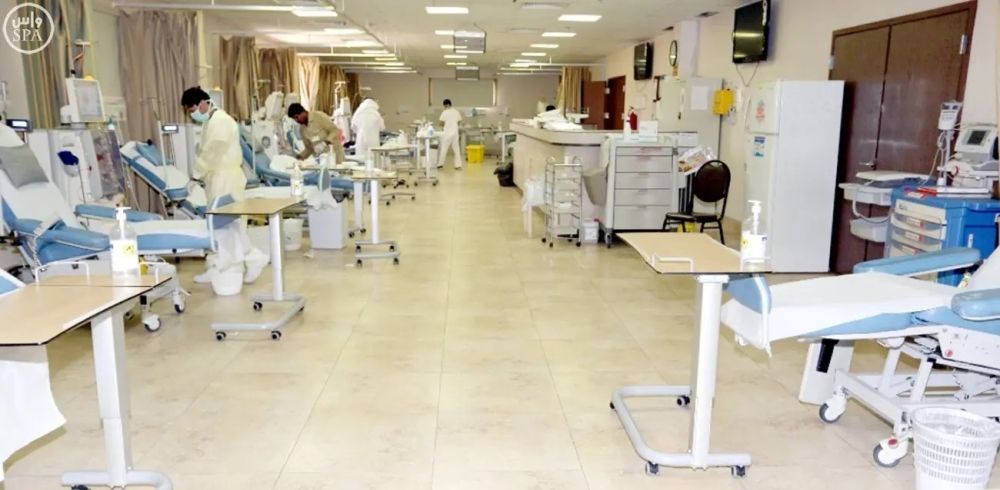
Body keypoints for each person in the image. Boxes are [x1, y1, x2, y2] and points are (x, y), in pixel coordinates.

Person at [180, 86, 269, 285]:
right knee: (222, 226)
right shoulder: (211, 121)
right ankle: (219, 266)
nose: (192, 114)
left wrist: (195, 175)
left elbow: (212, 153)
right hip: (218, 177)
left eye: (192, 109)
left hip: (225, 178)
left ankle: (253, 259)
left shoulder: (220, 121)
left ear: (203, 103)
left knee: (227, 225)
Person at [350, 98, 385, 163]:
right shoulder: (375, 113)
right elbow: (382, 127)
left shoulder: (358, 113)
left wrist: (359, 131)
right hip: (373, 140)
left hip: (361, 139)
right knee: (374, 160)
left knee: (361, 159)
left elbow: (353, 127)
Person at [437, 99, 463, 170]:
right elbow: (459, 122)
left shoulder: (444, 112)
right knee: (456, 149)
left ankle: (440, 164)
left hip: (447, 133)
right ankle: (458, 165)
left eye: (444, 106)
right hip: (455, 133)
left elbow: (441, 123)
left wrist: (443, 127)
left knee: (444, 149)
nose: (444, 107)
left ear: (446, 105)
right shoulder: (456, 112)